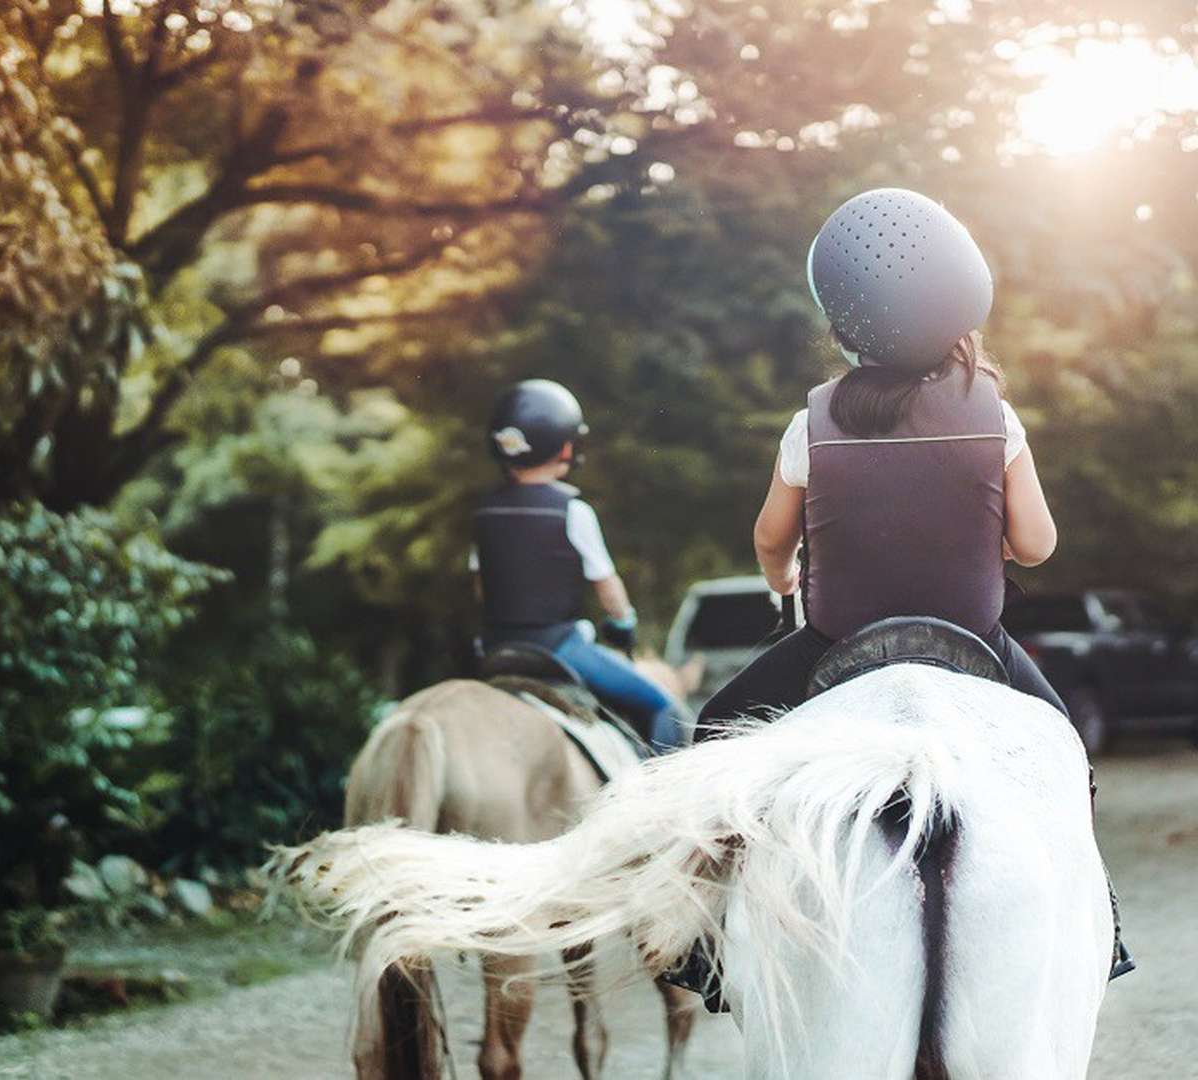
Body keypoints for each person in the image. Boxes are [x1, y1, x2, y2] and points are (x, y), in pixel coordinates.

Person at [692, 187, 1132, 980]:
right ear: (963, 311)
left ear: (846, 326)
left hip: (834, 639)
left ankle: (707, 943)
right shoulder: (995, 414)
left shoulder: (812, 421)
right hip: (976, 641)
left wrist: (782, 577)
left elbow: (769, 534)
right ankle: (1104, 921)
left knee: (714, 730)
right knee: (1064, 751)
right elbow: (1035, 546)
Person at [472, 378, 686, 750]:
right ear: (566, 446)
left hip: (495, 650)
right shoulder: (572, 510)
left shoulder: (483, 513)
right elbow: (607, 587)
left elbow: (481, 587)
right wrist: (622, 623)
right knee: (664, 707)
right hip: (558, 648)